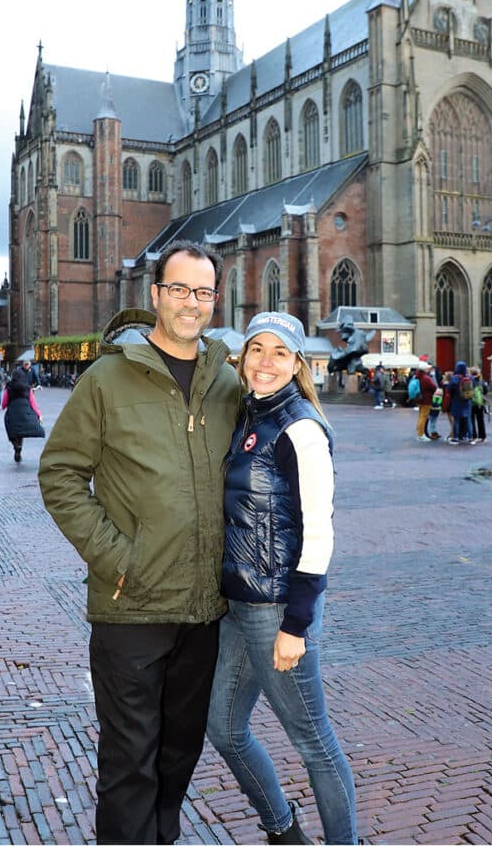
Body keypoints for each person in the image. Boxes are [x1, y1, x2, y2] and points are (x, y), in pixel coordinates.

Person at [38, 241, 241, 846]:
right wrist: (115, 557)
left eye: (202, 292)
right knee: (130, 761)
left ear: (214, 300)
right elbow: (61, 473)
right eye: (179, 289)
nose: (191, 303)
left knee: (179, 753)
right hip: (131, 606)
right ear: (155, 296)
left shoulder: (227, 381)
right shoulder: (107, 377)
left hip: (205, 608)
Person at [206, 311, 357, 846]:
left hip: (275, 612)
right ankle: (283, 829)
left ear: (297, 364)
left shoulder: (301, 429)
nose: (265, 362)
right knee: (224, 728)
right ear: (243, 357)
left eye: (279, 352)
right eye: (256, 350)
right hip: (239, 604)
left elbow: (319, 534)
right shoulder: (250, 415)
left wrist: (297, 622)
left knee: (315, 742)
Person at [2, 369, 44, 460]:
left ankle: (15, 445)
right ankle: (19, 448)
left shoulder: (8, 387)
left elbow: (4, 404)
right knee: (20, 433)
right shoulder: (28, 388)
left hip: (12, 413)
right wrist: (39, 414)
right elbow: (33, 404)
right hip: (25, 413)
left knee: (11, 431)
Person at [448, 361, 473, 444]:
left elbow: (450, 389)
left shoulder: (455, 378)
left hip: (457, 401)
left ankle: (455, 438)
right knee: (468, 420)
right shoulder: (470, 377)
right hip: (467, 401)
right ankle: (469, 437)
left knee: (457, 420)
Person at [414, 360, 437, 442]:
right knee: (424, 417)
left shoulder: (417, 376)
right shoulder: (426, 378)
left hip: (419, 398)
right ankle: (421, 434)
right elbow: (434, 387)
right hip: (426, 399)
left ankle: (419, 432)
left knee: (420, 416)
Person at [470, 368, 489, 444]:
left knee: (472, 420)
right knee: (480, 420)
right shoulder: (482, 381)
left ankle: (474, 437)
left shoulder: (470, 380)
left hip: (471, 403)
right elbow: (486, 390)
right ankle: (483, 437)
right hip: (480, 403)